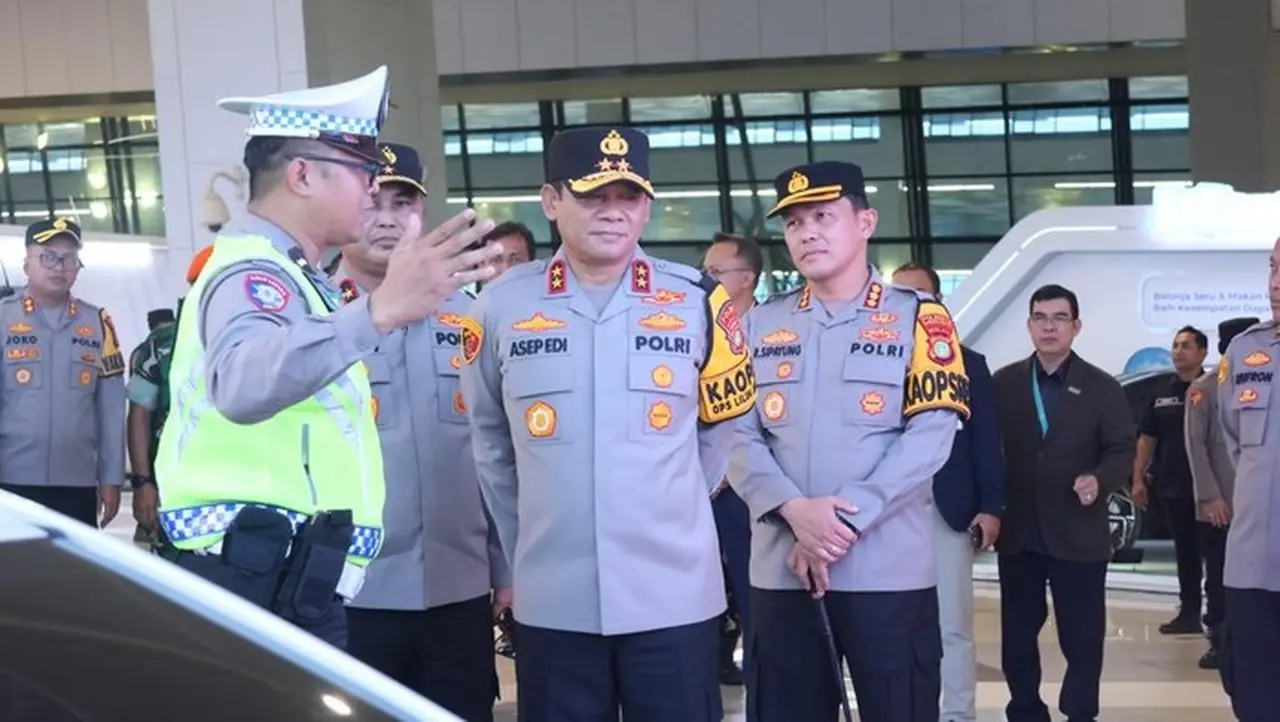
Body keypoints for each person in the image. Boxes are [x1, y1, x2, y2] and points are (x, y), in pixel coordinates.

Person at [152, 66, 506, 648]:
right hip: (250, 576)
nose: (373, 191)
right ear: (301, 174)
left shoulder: (295, 276)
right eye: (362, 169)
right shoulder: (254, 273)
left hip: (284, 572)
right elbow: (242, 384)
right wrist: (378, 311)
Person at [459, 126, 755, 722]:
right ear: (551, 201)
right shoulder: (500, 306)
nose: (614, 213)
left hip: (672, 594)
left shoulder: (699, 300)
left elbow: (720, 430)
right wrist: (536, 539)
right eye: (594, 196)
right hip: (554, 598)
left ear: (647, 205)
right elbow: (491, 444)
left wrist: (664, 507)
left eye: (629, 197)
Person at [728, 161, 968, 722]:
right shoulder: (758, 326)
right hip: (781, 572)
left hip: (887, 573)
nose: (807, 232)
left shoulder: (920, 319)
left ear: (865, 222)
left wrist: (839, 524)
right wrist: (794, 512)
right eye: (793, 223)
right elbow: (735, 434)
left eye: (822, 216)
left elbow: (932, 435)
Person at [335, 142, 509, 722]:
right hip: (350, 590)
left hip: (457, 588)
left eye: (402, 201)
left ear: (423, 214)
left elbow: (496, 448)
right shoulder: (314, 315)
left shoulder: (471, 315)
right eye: (372, 201)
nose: (386, 217)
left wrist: (504, 567)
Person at [992, 284, 1135, 722]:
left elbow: (1121, 448)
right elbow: (985, 450)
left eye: (1059, 318)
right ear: (1029, 324)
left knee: (1082, 635)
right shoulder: (1005, 382)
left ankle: (1080, 711)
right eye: (1041, 317)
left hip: (1078, 530)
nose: (1049, 326)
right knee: (1017, 634)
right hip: (1020, 532)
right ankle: (1025, 708)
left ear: (1076, 326)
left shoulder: (1101, 386)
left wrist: (1100, 478)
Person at [892, 262, 1004, 722]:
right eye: (900, 295)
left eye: (920, 294)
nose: (910, 303)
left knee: (951, 624)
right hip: (887, 511)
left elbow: (987, 442)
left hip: (947, 508)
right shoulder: (872, 361)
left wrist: (991, 506)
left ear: (938, 302)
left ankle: (957, 714)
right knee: (891, 623)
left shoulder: (968, 362)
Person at [0, 217, 127, 528]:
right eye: (48, 257)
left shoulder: (97, 323)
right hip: (11, 478)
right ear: (27, 264)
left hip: (77, 482)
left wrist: (111, 477)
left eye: (69, 258)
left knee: (71, 576)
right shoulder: (3, 318)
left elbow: (111, 409)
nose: (59, 266)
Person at [1215, 239, 1280, 722]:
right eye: (1273, 268)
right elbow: (1234, 440)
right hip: (1253, 560)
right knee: (1254, 695)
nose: (1275, 284)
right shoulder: (1244, 351)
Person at [701, 231, 762, 686]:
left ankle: (764, 680)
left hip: (749, 492)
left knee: (754, 595)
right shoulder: (694, 327)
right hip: (697, 489)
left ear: (747, 279)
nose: (707, 279)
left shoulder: (773, 332)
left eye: (716, 272)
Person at [126, 245, 214, 539]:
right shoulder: (161, 345)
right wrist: (142, 483)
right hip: (172, 486)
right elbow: (139, 414)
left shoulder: (260, 337)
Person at [1184, 317, 1256, 670]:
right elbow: (1195, 445)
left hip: (1256, 504)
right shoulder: (1205, 387)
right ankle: (1218, 641)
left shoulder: (1263, 382)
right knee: (1218, 575)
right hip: (1220, 504)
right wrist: (1209, 496)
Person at [1130, 326, 1209, 635]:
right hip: (1174, 486)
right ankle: (1189, 612)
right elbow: (1146, 439)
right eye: (1175, 345)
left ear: (1202, 352)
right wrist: (1137, 478)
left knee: (1216, 556)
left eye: (1186, 346)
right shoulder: (1162, 393)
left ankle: (1219, 616)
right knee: (1185, 552)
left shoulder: (1214, 388)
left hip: (1212, 489)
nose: (1178, 351)